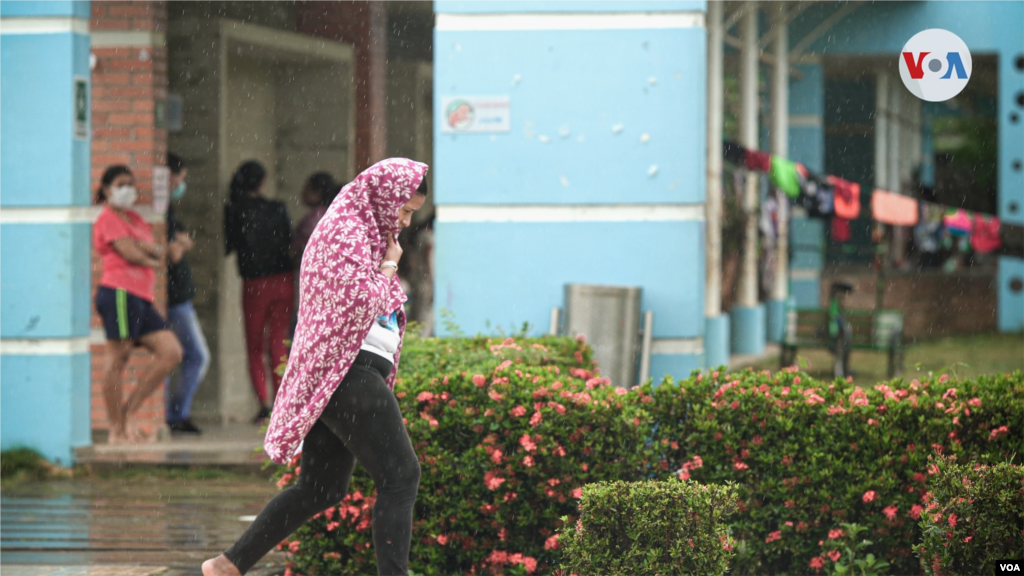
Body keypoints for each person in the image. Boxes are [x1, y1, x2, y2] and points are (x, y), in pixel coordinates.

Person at [202, 158, 429, 576]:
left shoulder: (366, 234)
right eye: (405, 208)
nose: (406, 220)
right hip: (347, 370)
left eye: (411, 212)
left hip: (346, 372)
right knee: (401, 476)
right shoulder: (345, 232)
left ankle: (228, 565)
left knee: (321, 488)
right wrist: (390, 266)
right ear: (384, 196)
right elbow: (362, 300)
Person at [93, 165, 183, 444]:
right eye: (121, 184)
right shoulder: (107, 219)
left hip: (141, 298)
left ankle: (128, 412)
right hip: (119, 292)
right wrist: (151, 256)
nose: (127, 189)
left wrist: (153, 252)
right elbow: (132, 252)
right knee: (117, 359)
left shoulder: (133, 218)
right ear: (107, 189)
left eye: (131, 183)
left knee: (171, 352)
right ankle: (117, 429)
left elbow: (155, 248)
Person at [224, 160, 295, 423]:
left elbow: (230, 245)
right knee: (278, 342)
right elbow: (288, 241)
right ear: (263, 182)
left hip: (255, 283)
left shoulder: (234, 209)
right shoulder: (277, 208)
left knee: (254, 345)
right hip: (283, 278)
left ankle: (264, 404)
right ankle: (282, 402)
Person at [164, 153, 211, 434]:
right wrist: (179, 245)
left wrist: (180, 245)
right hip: (172, 299)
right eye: (179, 178)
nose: (181, 184)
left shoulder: (168, 208)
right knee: (195, 355)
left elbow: (185, 244)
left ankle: (174, 413)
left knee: (176, 356)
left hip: (178, 295)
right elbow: (174, 251)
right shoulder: (161, 210)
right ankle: (175, 414)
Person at [290, 171, 340, 260]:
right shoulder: (333, 213)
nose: (302, 192)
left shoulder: (315, 218)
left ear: (318, 192)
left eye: (307, 188)